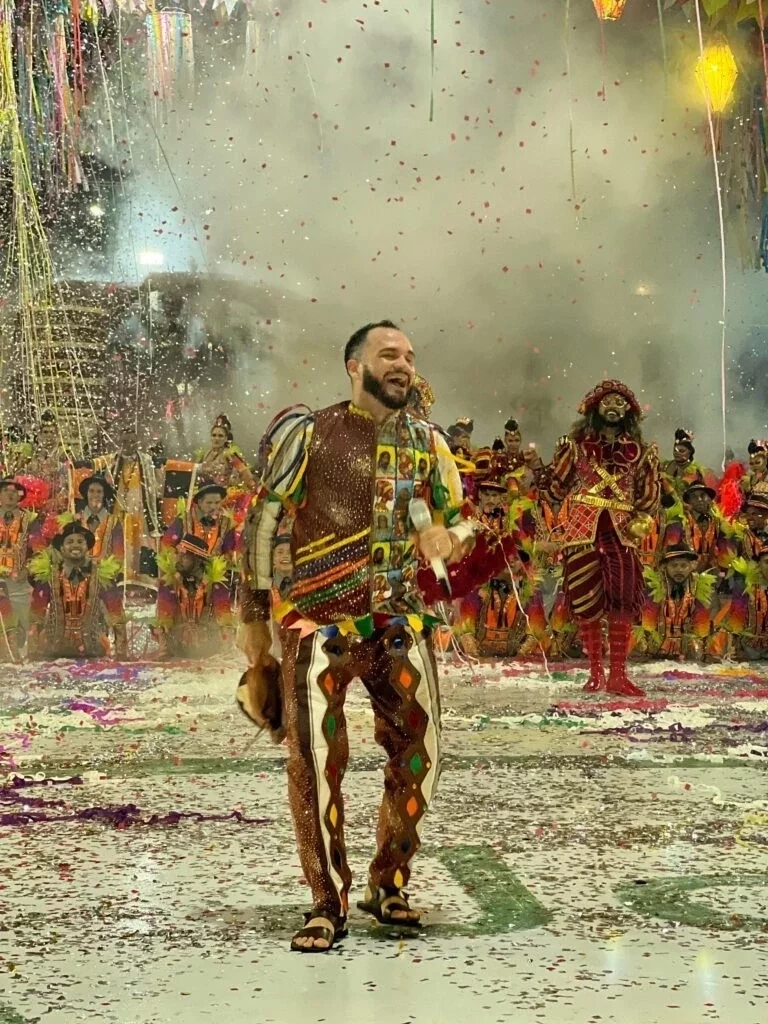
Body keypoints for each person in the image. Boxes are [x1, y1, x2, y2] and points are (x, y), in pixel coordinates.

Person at [239, 319, 473, 953]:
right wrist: (253, 622)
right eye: (389, 353)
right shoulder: (311, 433)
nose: (403, 363)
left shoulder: (429, 442)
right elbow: (263, 522)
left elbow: (461, 519)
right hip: (320, 627)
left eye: (410, 355)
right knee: (316, 763)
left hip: (400, 623)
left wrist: (450, 537)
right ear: (355, 366)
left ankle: (387, 881)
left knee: (421, 757)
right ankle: (326, 900)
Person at [538, 380, 660, 697]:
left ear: (629, 412)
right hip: (582, 531)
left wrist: (642, 521)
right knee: (585, 602)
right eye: (608, 401)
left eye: (621, 403)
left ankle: (618, 675)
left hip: (621, 531)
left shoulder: (642, 453)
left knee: (622, 599)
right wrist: (543, 469)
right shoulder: (575, 448)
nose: (614, 407)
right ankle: (594, 673)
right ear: (595, 408)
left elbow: (649, 498)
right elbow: (555, 488)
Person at [28, 522, 126, 660]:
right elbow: (36, 617)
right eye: (70, 542)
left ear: (87, 547)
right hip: (54, 653)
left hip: (93, 651)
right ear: (61, 548)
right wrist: (32, 653)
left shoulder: (101, 575)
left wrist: (121, 653)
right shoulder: (48, 577)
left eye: (80, 541)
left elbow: (117, 615)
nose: (75, 545)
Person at [91, 426, 164, 589]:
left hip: (140, 510)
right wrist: (76, 465)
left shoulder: (147, 461)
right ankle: (118, 578)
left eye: (132, 441)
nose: (128, 445)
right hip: (118, 510)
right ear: (119, 442)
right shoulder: (113, 460)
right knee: (118, 542)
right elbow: (93, 465)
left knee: (139, 543)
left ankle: (138, 580)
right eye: (125, 442)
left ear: (137, 442)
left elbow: (164, 475)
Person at [635, 544, 721, 661]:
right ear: (665, 567)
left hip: (688, 647)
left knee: (700, 647)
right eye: (674, 565)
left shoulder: (699, 585)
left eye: (683, 565)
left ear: (691, 567)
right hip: (656, 643)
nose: (679, 570)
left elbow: (702, 623)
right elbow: (647, 620)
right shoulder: (655, 584)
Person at [155, 534, 233, 659]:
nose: (178, 559)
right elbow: (164, 621)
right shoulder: (171, 582)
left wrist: (224, 652)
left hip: (209, 649)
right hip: (177, 647)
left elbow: (225, 622)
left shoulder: (215, 584)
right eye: (178, 554)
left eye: (184, 556)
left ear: (197, 559)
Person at [0, 479, 44, 659]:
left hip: (19, 581)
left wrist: (27, 570)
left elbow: (40, 552)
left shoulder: (30, 520)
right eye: (5, 490)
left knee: (22, 627)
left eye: (14, 491)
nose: (10, 494)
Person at [161, 483, 237, 562]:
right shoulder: (184, 519)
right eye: (209, 503)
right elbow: (167, 543)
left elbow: (229, 551)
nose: (213, 507)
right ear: (199, 502)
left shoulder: (226, 523)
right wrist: (175, 557)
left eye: (217, 503)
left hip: (215, 572)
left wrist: (228, 558)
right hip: (184, 571)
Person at [197, 413, 255, 493]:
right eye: (214, 435)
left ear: (226, 438)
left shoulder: (230, 454)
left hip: (224, 496)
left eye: (220, 436)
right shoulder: (206, 453)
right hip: (206, 495)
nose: (216, 438)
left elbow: (246, 474)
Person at [75, 476, 125, 564]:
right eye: (91, 491)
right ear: (86, 493)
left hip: (107, 575)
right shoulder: (74, 520)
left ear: (104, 495)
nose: (95, 495)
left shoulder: (114, 522)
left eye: (99, 491)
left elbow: (119, 556)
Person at [660, 428, 705, 504]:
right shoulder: (665, 465)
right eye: (675, 450)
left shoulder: (694, 471)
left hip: (686, 508)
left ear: (690, 452)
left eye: (682, 451)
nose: (677, 453)